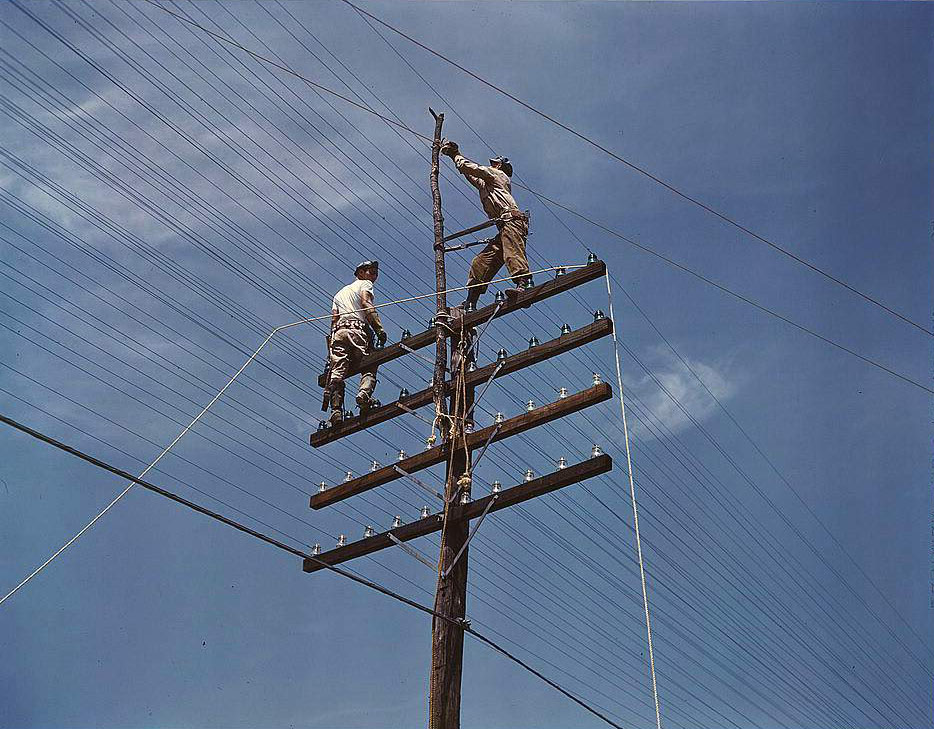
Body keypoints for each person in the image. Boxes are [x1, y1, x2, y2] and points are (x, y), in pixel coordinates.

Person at [440, 140, 531, 309]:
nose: (492, 165)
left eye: (494, 163)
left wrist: (455, 154)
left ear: (499, 166)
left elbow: (473, 169)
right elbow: (471, 175)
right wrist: (455, 158)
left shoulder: (498, 175)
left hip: (512, 221)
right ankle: (471, 301)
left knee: (512, 251)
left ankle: (523, 285)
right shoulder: (488, 183)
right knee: (480, 262)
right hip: (504, 225)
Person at [326, 260, 387, 425]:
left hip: (338, 333)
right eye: (370, 271)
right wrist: (378, 328)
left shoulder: (338, 294)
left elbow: (334, 319)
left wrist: (331, 347)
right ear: (360, 273)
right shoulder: (365, 284)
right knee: (370, 362)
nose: (373, 275)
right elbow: (366, 303)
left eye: (375, 272)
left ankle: (336, 410)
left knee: (337, 372)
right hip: (356, 330)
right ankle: (364, 394)